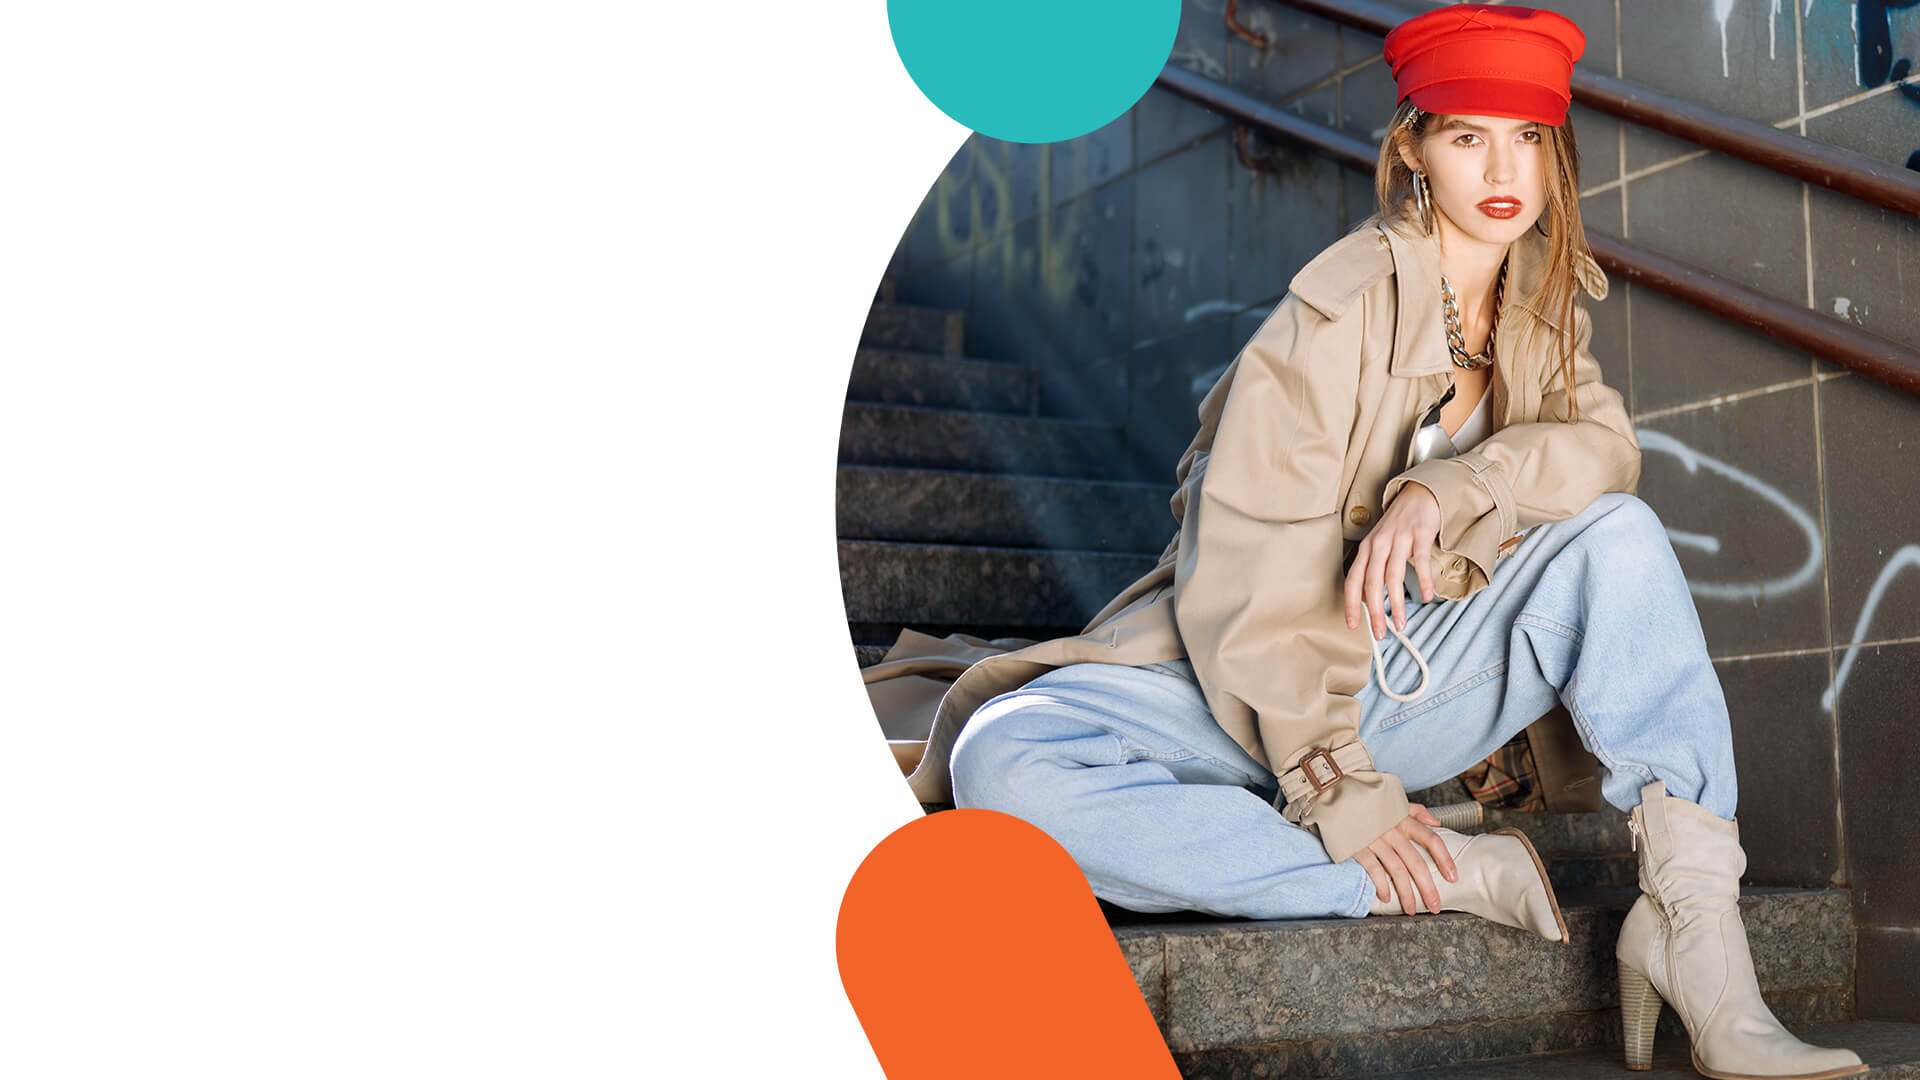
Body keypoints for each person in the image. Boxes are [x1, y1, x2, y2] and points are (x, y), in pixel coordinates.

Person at [871, 6, 1866, 1078]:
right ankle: (1422, 872)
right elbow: (1245, 577)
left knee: (1617, 536)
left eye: (1527, 137)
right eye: (1467, 134)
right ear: (1415, 152)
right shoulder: (1334, 315)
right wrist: (1337, 786)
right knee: (999, 759)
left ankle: (1696, 932)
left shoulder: (1539, 306)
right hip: (1255, 681)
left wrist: (1452, 484)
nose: (1503, 167)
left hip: (1417, 679)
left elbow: (1604, 451)